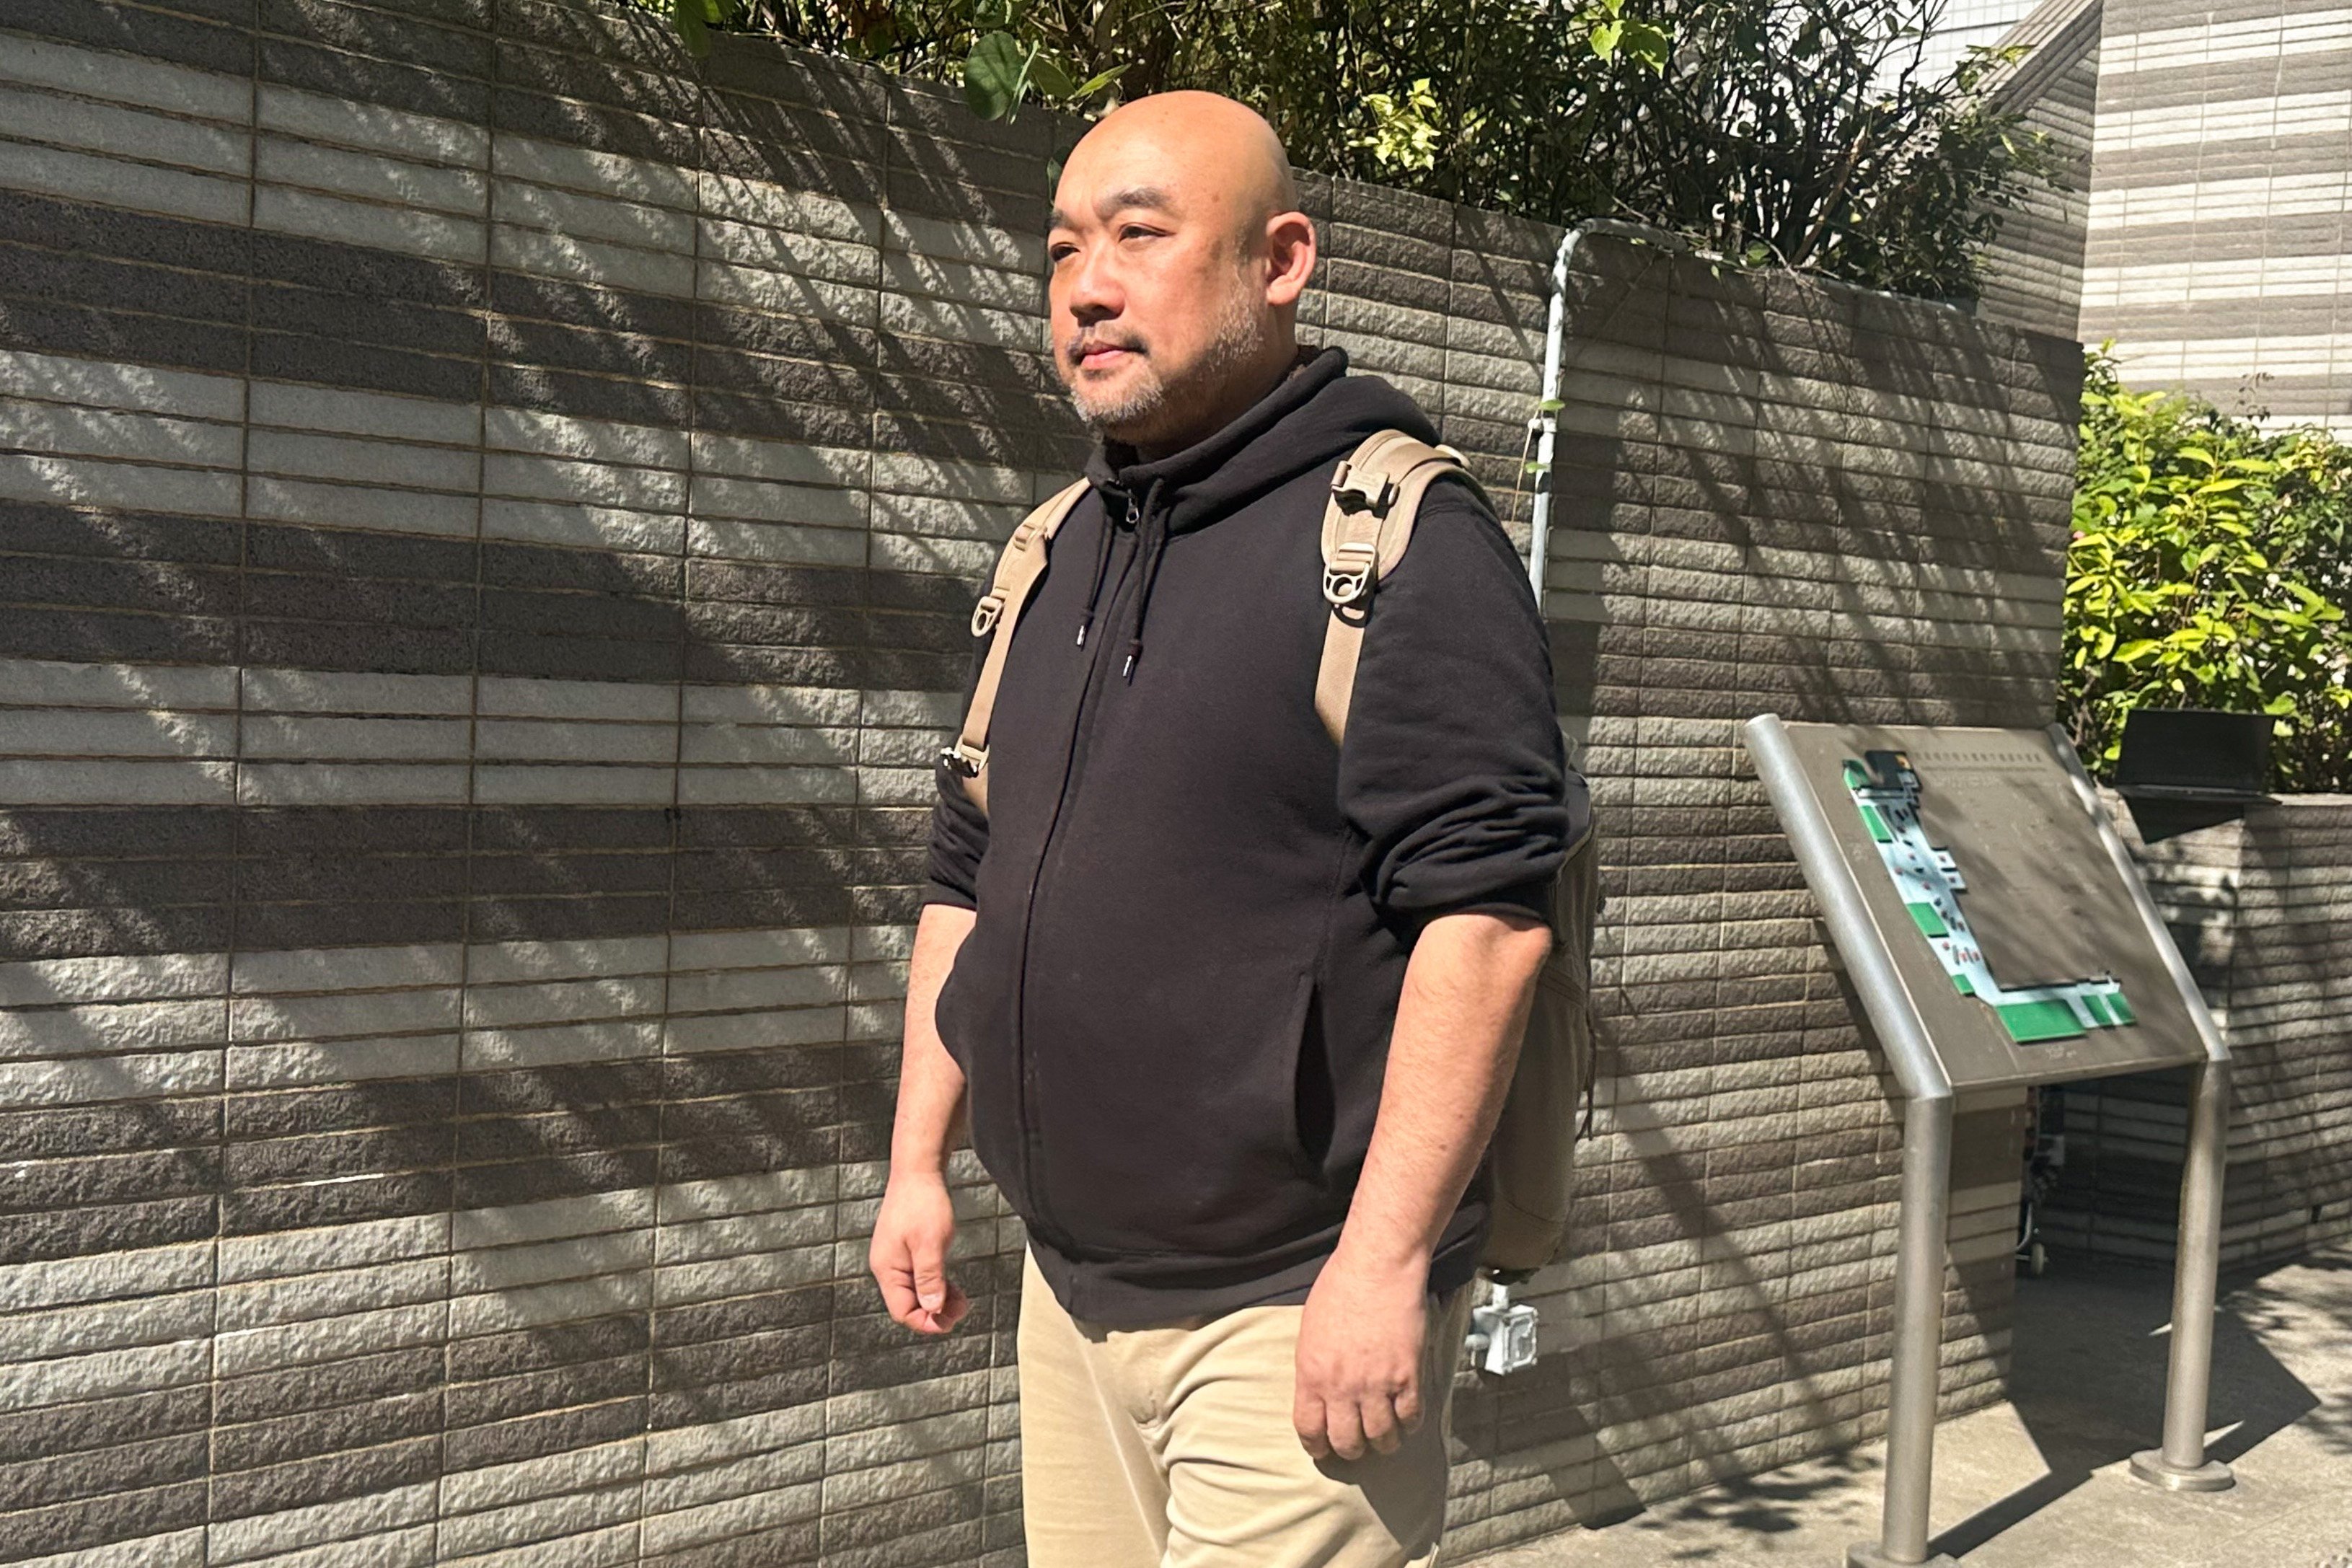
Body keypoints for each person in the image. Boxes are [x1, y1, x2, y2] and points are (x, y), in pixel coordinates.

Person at [867, 89, 1586, 1568]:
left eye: (1140, 235)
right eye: (1063, 248)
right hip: (1071, 1292)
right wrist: (914, 1163)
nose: (1086, 284)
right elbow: (966, 868)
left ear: (1279, 260)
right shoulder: (1054, 546)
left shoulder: (1397, 540)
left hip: (1287, 1308)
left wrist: (1381, 1266)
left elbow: (1489, 920)